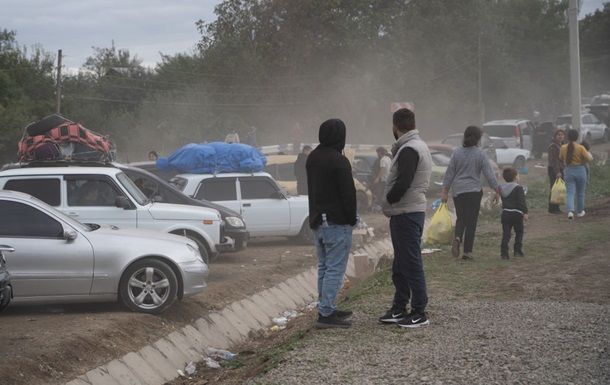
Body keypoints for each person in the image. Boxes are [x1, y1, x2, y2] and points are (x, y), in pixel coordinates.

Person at [378, 108, 432, 328]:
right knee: (400, 264)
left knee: (410, 262)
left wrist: (389, 198)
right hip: (407, 212)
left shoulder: (409, 149)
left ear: (395, 126)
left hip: (406, 212)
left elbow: (403, 182)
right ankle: (399, 307)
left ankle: (420, 311)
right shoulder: (417, 145)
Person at [306, 119, 357, 329]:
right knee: (335, 269)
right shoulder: (339, 160)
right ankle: (326, 314)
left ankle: (326, 307)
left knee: (324, 267)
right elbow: (348, 194)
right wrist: (352, 218)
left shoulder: (313, 158)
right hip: (337, 222)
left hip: (318, 220)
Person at [441, 125, 500, 260]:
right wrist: (497, 189)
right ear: (478, 138)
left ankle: (457, 237)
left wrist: (444, 192)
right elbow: (489, 174)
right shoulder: (481, 154)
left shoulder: (456, 153)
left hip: (458, 191)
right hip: (473, 191)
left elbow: (449, 173)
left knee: (461, 218)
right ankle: (467, 253)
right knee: (471, 221)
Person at [560, 129, 593, 219]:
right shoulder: (581, 147)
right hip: (580, 170)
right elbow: (589, 159)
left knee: (570, 192)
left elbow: (561, 158)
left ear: (568, 137)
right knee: (580, 193)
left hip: (568, 171)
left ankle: (570, 211)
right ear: (577, 137)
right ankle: (579, 212)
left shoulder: (563, 147)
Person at [499, 168, 528, 259]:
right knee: (519, 232)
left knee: (506, 233)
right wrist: (525, 212)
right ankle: (517, 251)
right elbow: (521, 202)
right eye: (518, 175)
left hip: (505, 213)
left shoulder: (501, 188)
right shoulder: (519, 188)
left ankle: (504, 253)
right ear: (515, 177)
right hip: (517, 214)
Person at [547, 129, 565, 214]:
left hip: (561, 169)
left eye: (562, 135)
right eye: (558, 135)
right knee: (554, 189)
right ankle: (552, 208)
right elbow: (554, 161)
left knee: (559, 189)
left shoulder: (562, 145)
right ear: (555, 136)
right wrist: (557, 172)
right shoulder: (553, 147)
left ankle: (557, 208)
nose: (560, 136)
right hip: (554, 170)